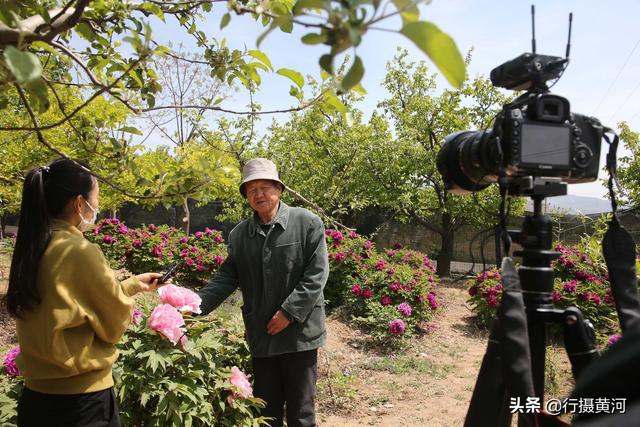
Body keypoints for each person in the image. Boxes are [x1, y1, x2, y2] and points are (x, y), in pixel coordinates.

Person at [5, 158, 164, 427]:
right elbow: (112, 324)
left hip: (36, 399)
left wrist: (133, 285)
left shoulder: (34, 247)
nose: (98, 205)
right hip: (82, 403)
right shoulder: (80, 251)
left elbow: (68, 305)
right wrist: (123, 297)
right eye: (97, 197)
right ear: (80, 204)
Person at [198, 158, 329, 427]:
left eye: (265, 187)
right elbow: (226, 277)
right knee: (265, 412)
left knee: (301, 413)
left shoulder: (307, 223)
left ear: (279, 189)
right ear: (246, 196)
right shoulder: (239, 235)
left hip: (299, 335)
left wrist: (289, 312)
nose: (259, 194)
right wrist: (192, 305)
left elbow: (316, 275)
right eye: (251, 189)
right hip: (263, 333)